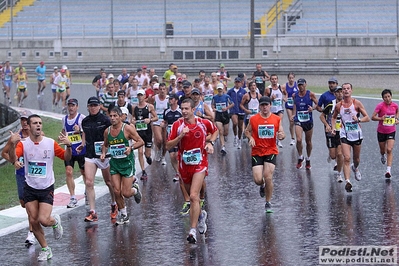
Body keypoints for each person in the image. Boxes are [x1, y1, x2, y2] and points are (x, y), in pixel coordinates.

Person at [7, 114, 72, 261]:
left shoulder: (50, 143)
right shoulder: (23, 144)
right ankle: (45, 249)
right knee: (33, 220)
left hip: (46, 187)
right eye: (35, 123)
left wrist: (68, 145)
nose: (38, 125)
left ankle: (54, 221)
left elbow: (66, 158)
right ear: (28, 127)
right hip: (29, 186)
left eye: (40, 123)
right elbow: (12, 159)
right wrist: (12, 144)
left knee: (44, 220)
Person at [166, 98, 218, 244]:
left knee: (194, 197)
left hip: (200, 163)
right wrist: (180, 136)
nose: (183, 111)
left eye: (186, 109)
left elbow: (215, 131)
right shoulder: (177, 125)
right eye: (182, 109)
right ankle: (201, 216)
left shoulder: (203, 123)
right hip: (184, 165)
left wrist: (210, 143)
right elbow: (168, 145)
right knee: (190, 195)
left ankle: (192, 231)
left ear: (193, 109)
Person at [101, 107, 144, 225]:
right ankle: (124, 214)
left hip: (127, 164)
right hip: (115, 164)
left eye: (115, 116)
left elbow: (141, 141)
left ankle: (135, 190)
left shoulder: (128, 129)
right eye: (111, 116)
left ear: (120, 117)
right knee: (116, 191)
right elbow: (105, 145)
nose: (113, 118)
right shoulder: (107, 131)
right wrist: (104, 153)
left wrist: (131, 148)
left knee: (126, 192)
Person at [77, 97, 117, 222]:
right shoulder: (85, 121)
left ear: (99, 106)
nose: (93, 107)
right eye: (91, 105)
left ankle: (114, 203)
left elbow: (112, 133)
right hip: (90, 155)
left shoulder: (106, 120)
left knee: (109, 182)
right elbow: (84, 133)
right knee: (89, 182)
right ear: (88, 107)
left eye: (95, 105)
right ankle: (93, 212)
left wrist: (107, 148)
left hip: (105, 155)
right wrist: (83, 144)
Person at [1, 110, 36, 246]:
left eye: (27, 120)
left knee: (29, 205)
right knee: (23, 203)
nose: (25, 123)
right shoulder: (16, 137)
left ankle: (31, 233)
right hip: (21, 175)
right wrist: (14, 161)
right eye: (22, 120)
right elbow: (4, 153)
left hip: (34, 175)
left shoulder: (37, 136)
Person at [245, 96, 285, 213]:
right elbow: (247, 131)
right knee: (258, 179)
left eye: (266, 105)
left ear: (270, 105)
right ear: (259, 106)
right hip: (257, 151)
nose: (264, 107)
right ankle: (262, 186)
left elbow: (282, 132)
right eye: (262, 105)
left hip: (271, 151)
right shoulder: (253, 119)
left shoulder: (276, 119)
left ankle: (268, 202)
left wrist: (281, 135)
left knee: (268, 177)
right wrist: (250, 137)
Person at [331, 83, 370, 192]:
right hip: (345, 134)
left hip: (357, 134)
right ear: (342, 91)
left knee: (356, 159)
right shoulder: (339, 105)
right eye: (344, 89)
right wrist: (333, 128)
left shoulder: (356, 103)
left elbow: (367, 117)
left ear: (351, 90)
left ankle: (355, 167)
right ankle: (348, 182)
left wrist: (359, 120)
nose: (346, 91)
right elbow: (333, 118)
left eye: (348, 89)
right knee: (346, 158)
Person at [61, 98, 86, 208]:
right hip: (69, 150)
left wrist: (79, 130)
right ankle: (73, 197)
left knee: (84, 172)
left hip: (81, 150)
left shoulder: (81, 118)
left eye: (73, 106)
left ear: (77, 107)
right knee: (69, 172)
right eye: (69, 106)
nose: (71, 108)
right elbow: (64, 131)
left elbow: (86, 132)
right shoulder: (64, 119)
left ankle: (87, 191)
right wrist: (62, 137)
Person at [291, 78, 318, 170]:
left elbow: (318, 104)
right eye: (299, 85)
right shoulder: (295, 95)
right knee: (298, 139)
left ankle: (308, 158)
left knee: (308, 142)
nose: (301, 86)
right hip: (299, 120)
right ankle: (300, 157)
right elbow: (295, 106)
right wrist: (293, 114)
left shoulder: (310, 94)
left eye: (302, 85)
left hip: (308, 120)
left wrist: (312, 108)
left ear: (305, 85)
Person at [371, 89, 399, 178]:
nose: (387, 99)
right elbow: (373, 117)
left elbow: (397, 112)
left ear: (391, 96)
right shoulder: (380, 106)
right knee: (383, 150)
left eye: (389, 96)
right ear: (383, 98)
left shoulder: (395, 105)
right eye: (385, 97)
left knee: (390, 149)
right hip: (381, 131)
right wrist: (381, 118)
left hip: (391, 130)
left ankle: (388, 170)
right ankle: (382, 155)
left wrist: (397, 119)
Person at [319, 86, 344, 182]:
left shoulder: (346, 104)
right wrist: (327, 125)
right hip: (331, 132)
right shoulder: (330, 105)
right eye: (338, 92)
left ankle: (339, 174)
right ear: (335, 94)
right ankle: (331, 155)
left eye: (341, 92)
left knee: (340, 153)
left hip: (341, 132)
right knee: (334, 155)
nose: (340, 94)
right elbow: (322, 116)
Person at [132, 89, 158, 180]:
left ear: (144, 96)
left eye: (141, 95)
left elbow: (156, 117)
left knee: (147, 152)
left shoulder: (149, 106)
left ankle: (148, 157)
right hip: (138, 132)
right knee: (139, 152)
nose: (140, 97)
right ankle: (143, 171)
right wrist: (133, 121)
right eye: (138, 95)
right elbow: (133, 118)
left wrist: (150, 120)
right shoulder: (134, 107)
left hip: (147, 132)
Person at [316, 77, 339, 168]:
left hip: (340, 124)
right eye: (330, 83)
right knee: (329, 140)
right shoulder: (325, 95)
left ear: (336, 84)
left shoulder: (341, 96)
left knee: (339, 143)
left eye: (333, 83)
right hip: (328, 121)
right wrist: (323, 111)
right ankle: (331, 152)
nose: (331, 85)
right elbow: (318, 106)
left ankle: (337, 162)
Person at [162, 93, 183, 181]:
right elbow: (165, 121)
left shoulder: (181, 110)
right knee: (171, 156)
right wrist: (163, 124)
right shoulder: (166, 111)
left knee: (177, 155)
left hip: (179, 136)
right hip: (170, 136)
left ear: (176, 100)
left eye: (172, 99)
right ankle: (178, 173)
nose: (170, 100)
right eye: (169, 99)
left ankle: (182, 171)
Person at [265, 74, 287, 148]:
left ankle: (279, 139)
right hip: (271, 110)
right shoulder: (268, 89)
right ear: (270, 80)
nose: (274, 80)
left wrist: (285, 98)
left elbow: (286, 94)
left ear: (277, 80)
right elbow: (264, 100)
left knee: (279, 122)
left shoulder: (281, 87)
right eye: (272, 79)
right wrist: (271, 98)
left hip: (279, 109)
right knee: (272, 125)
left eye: (275, 79)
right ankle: (272, 139)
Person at [212, 83, 234, 155]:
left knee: (226, 132)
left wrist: (227, 108)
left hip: (225, 115)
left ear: (223, 89)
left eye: (221, 89)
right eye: (218, 89)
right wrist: (214, 109)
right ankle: (223, 147)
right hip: (218, 115)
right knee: (220, 131)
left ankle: (225, 136)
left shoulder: (227, 96)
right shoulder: (215, 97)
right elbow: (212, 105)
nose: (220, 90)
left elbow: (232, 104)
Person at [227, 77, 246, 149]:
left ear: (241, 83)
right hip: (233, 110)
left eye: (239, 82)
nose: (237, 83)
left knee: (240, 127)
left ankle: (239, 139)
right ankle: (235, 136)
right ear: (234, 83)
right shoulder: (231, 91)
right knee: (235, 123)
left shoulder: (243, 91)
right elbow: (227, 98)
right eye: (236, 82)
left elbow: (246, 99)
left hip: (241, 110)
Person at [153, 83, 169, 164]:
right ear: (158, 90)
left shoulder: (168, 99)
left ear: (166, 90)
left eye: (164, 89)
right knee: (159, 140)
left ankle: (163, 157)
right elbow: (150, 107)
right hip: (156, 121)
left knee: (165, 142)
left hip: (165, 121)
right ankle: (158, 150)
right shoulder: (154, 98)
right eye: (161, 89)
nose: (162, 91)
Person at [283, 72, 298, 146]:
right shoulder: (285, 86)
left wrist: (296, 95)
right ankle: (292, 138)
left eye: (292, 78)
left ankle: (298, 136)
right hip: (288, 105)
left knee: (296, 121)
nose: (291, 79)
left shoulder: (297, 85)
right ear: (288, 78)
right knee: (291, 121)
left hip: (295, 105)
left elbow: (301, 93)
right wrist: (285, 98)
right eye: (290, 78)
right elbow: (282, 94)